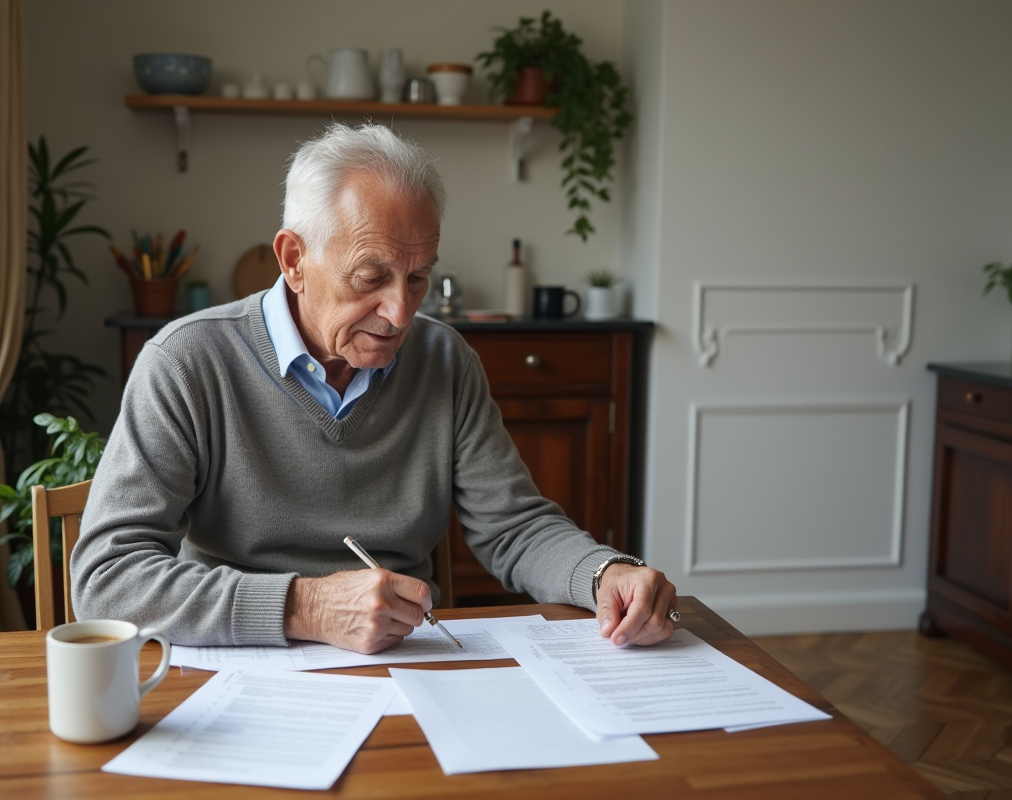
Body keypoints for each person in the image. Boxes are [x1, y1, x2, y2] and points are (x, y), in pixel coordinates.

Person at [72, 123, 676, 654]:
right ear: (293, 260)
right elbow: (107, 579)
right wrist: (305, 607)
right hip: (237, 662)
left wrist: (603, 573)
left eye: (418, 278)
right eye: (371, 276)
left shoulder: (444, 360)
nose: (399, 313)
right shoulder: (187, 363)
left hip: (407, 662)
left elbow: (513, 527)